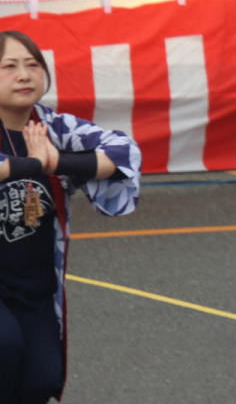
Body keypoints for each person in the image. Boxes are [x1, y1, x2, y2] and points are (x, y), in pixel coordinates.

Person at [0, 30, 141, 404]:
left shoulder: (54, 128)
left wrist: (57, 161)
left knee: (44, 379)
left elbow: (124, 152)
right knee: (4, 347)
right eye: (9, 67)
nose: (25, 75)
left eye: (33, 65)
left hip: (34, 285)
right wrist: (25, 164)